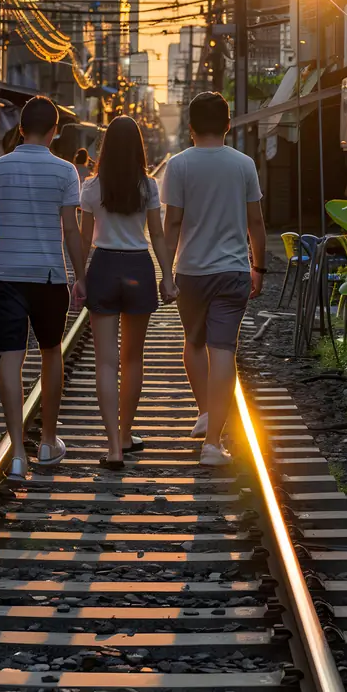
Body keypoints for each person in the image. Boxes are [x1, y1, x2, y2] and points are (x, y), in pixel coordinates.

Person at [0, 96, 87, 482]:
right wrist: (80, 275)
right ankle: (49, 441)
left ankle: (18, 452)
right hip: (49, 277)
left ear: (20, 129)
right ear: (55, 132)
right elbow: (71, 229)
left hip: (7, 275)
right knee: (51, 353)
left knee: (11, 356)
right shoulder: (66, 171)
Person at [161, 92, 266, 467]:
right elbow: (255, 221)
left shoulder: (179, 165)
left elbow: (172, 222)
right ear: (227, 125)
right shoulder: (243, 165)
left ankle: (205, 410)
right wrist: (259, 267)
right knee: (223, 350)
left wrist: (165, 271)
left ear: (189, 129)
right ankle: (212, 443)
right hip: (233, 270)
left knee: (194, 341)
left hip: (191, 271)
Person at [79, 115, 177, 470]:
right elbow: (158, 236)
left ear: (105, 148)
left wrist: (78, 277)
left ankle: (113, 449)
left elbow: (83, 238)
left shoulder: (91, 187)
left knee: (105, 361)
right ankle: (125, 434)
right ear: (138, 147)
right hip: (138, 268)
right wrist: (168, 276)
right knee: (132, 359)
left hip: (104, 266)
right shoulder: (148, 186)